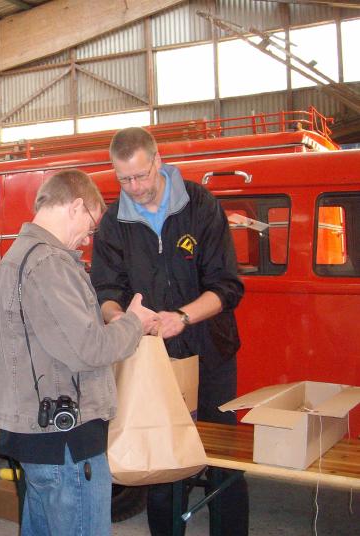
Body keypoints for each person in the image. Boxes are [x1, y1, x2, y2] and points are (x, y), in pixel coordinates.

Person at [90, 127, 249, 536]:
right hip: (153, 359)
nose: (134, 187)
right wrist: (124, 320)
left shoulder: (200, 206)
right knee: (159, 461)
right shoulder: (113, 222)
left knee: (223, 462)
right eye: (123, 179)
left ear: (158, 160)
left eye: (140, 176)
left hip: (210, 352)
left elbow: (227, 287)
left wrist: (182, 316)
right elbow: (105, 292)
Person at [0, 169, 158, 536]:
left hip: (40, 436)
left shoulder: (18, 257)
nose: (87, 239)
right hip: (65, 440)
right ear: (77, 206)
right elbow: (88, 348)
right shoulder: (48, 263)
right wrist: (133, 323)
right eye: (91, 226)